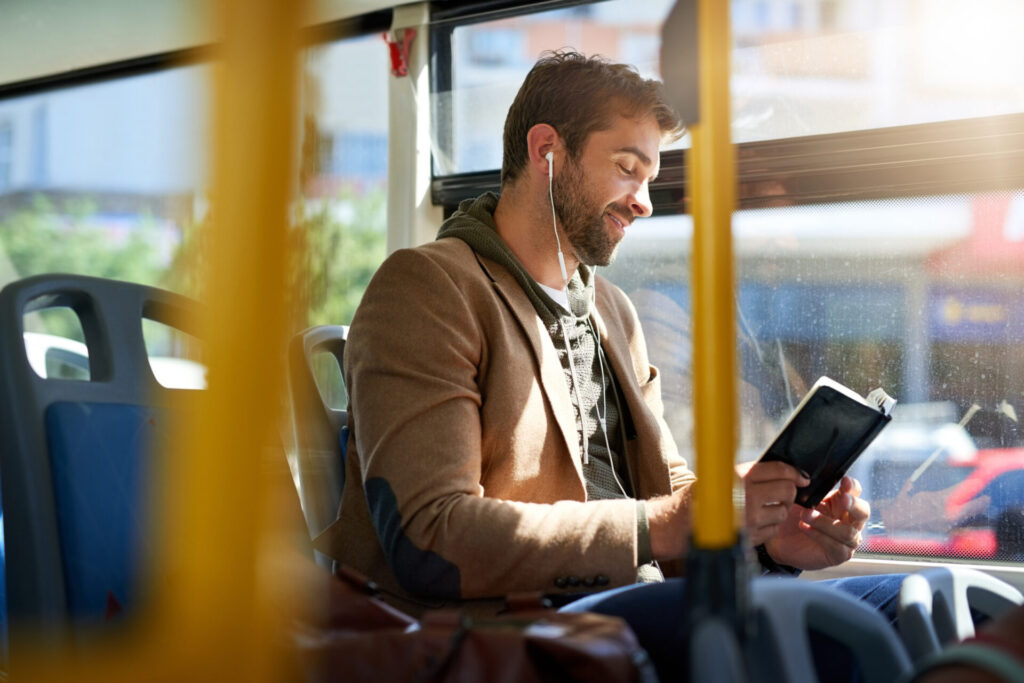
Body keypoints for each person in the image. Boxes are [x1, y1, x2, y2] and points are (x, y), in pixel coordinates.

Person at [319, 48, 896, 670]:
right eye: (627, 169)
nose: (643, 201)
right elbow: (431, 536)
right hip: (529, 626)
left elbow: (667, 493)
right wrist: (668, 524)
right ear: (547, 151)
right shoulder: (429, 289)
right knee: (842, 636)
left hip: (637, 604)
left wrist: (767, 543)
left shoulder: (611, 312)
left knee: (909, 601)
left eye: (648, 179)